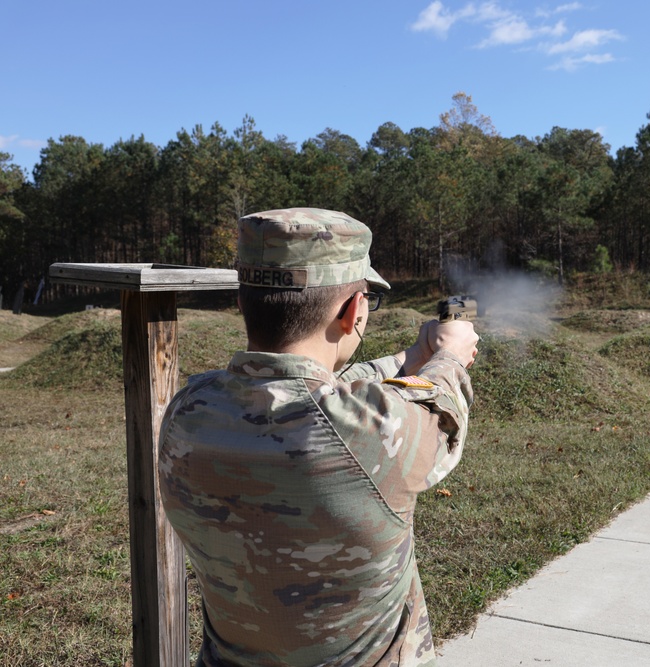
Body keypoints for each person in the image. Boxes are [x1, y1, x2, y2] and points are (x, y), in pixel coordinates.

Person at [158, 208, 478, 667]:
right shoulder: (373, 429)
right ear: (353, 311)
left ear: (243, 301)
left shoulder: (187, 411)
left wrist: (412, 355)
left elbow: (309, 387)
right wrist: (448, 355)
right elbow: (439, 408)